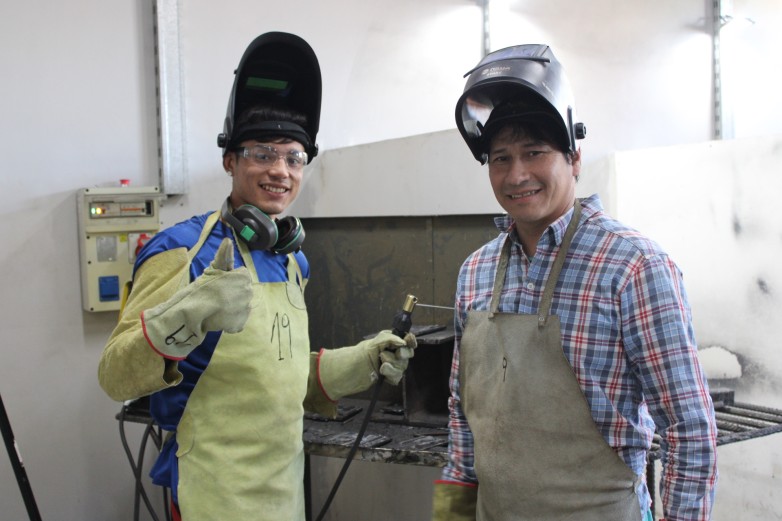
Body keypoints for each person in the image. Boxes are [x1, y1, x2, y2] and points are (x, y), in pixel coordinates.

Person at [97, 32, 415, 521]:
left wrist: (365, 359)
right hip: (211, 496)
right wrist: (182, 317)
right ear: (230, 160)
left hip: (283, 495)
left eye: (294, 157)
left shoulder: (291, 259)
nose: (280, 171)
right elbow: (115, 375)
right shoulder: (183, 250)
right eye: (263, 154)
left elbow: (282, 377)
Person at [431, 44, 718, 521]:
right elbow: (462, 420)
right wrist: (451, 517)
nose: (516, 174)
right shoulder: (475, 271)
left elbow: (690, 431)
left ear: (575, 158)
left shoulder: (633, 267)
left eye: (534, 153)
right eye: (500, 158)